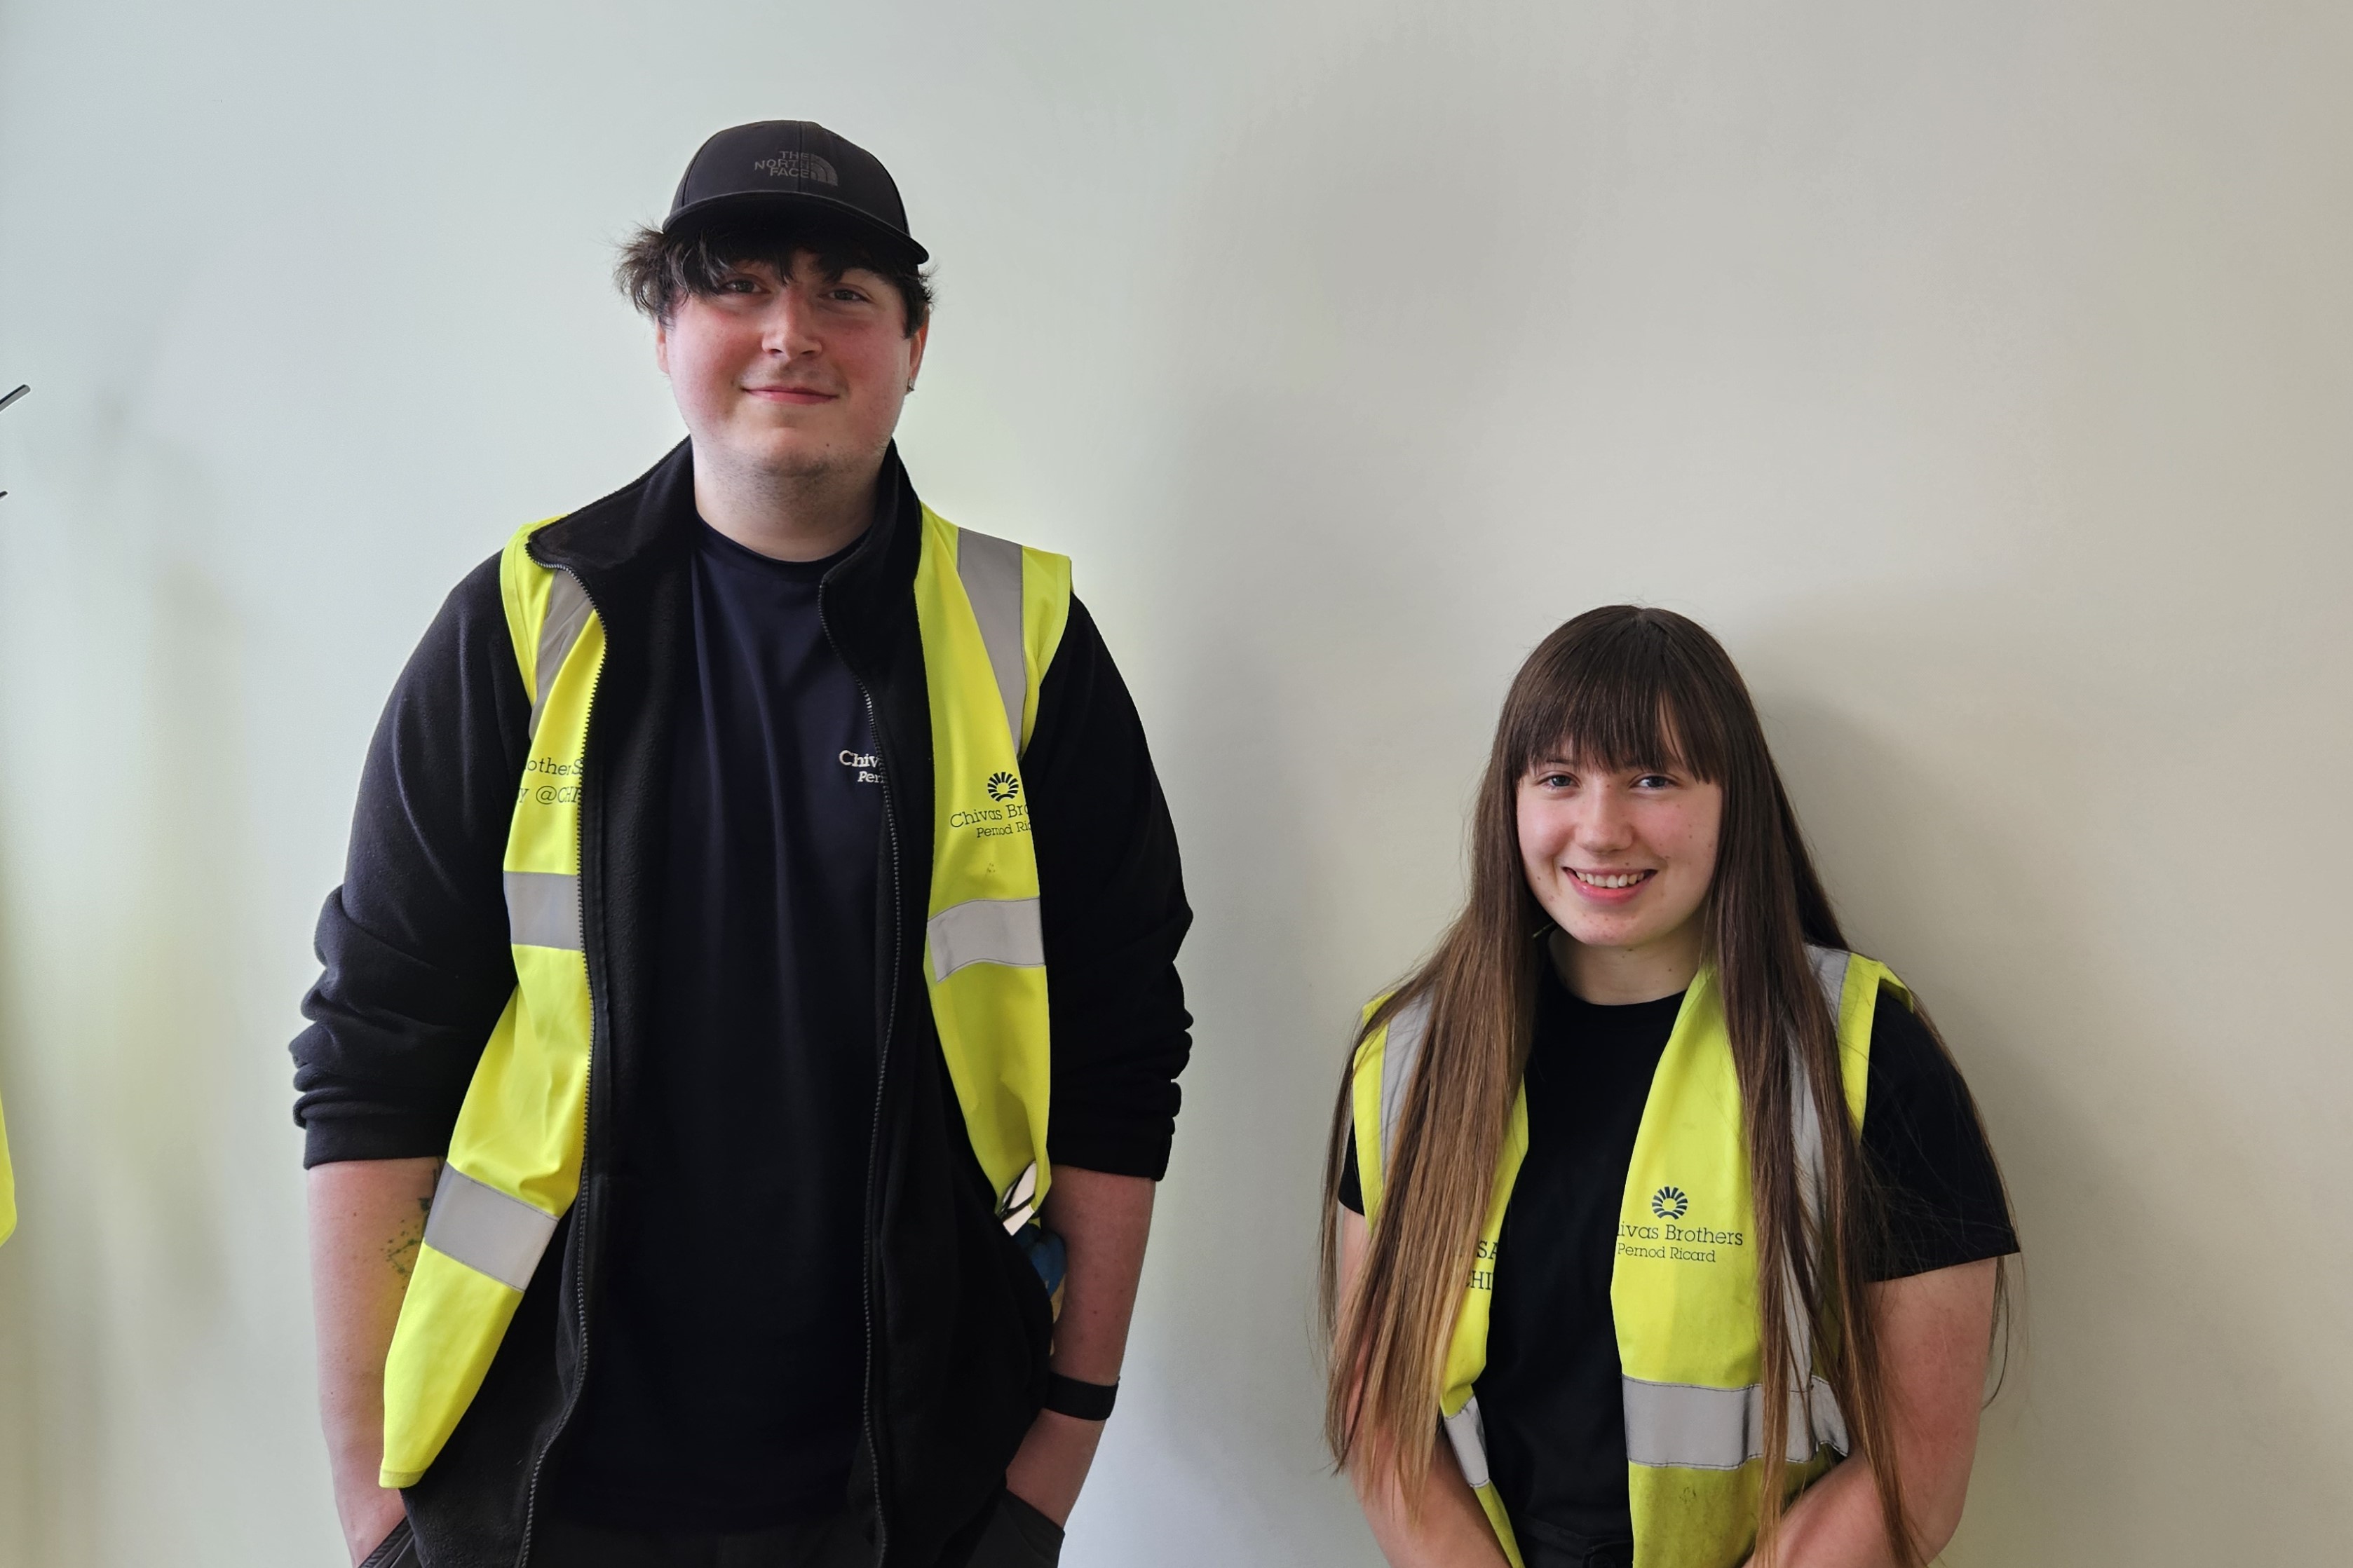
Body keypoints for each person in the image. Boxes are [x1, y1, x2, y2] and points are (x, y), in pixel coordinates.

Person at [293, 121, 1192, 1568]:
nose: (790, 331)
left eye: (846, 291)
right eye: (738, 283)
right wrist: (367, 1485)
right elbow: (373, 1053)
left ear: (912, 346)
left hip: (914, 1487)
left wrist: (1057, 1456)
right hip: (536, 1475)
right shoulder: (524, 625)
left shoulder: (1024, 640)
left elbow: (1121, 1052)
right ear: (665, 329)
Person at [1321, 606, 2016, 1568]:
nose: (1601, 829)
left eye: (1653, 778)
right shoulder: (1407, 1059)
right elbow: (1380, 1408)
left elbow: (1915, 1469)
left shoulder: (1863, 1056)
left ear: (1735, 800)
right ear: (1510, 801)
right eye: (1559, 778)